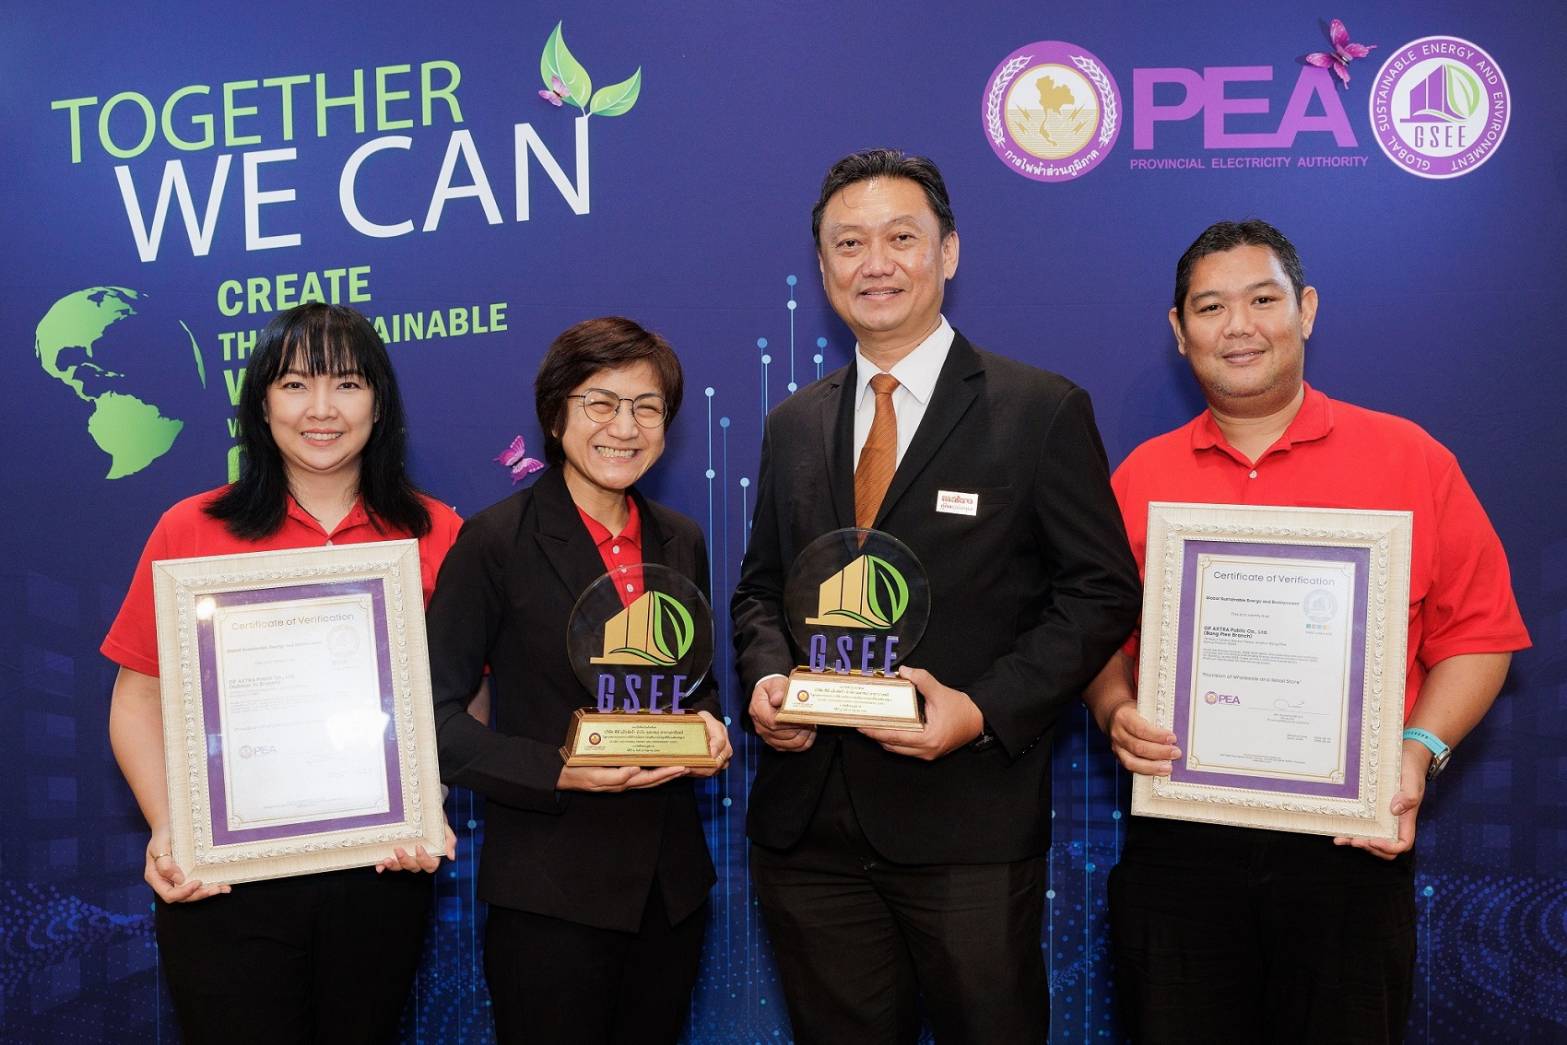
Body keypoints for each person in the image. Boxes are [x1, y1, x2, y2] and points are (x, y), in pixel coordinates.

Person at [1084, 219, 1531, 1044]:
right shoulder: (1140, 475)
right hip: (1179, 844)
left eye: (1263, 300)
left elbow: (1478, 634)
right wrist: (1114, 709)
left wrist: (1414, 751)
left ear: (1307, 310)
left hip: (1349, 845)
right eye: (1210, 307)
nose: (1238, 326)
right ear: (1179, 330)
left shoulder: (1409, 457)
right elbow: (1091, 634)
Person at [732, 148, 1142, 1042]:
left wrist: (981, 709)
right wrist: (766, 679)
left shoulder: (1038, 408)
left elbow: (1100, 592)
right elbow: (761, 589)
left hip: (966, 824)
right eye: (848, 243)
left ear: (948, 252)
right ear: (822, 267)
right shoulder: (792, 423)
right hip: (808, 834)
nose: (873, 263)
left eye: (901, 237)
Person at [101, 302, 463, 1043]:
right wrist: (170, 826)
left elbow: (464, 696)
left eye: (348, 383)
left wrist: (428, 801)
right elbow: (137, 700)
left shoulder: (436, 533)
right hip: (224, 881)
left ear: (380, 404)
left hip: (380, 872)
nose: (321, 409)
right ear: (261, 405)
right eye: (295, 384)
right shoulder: (191, 527)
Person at [426, 316, 732, 1045]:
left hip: (671, 890)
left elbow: (695, 683)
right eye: (600, 402)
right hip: (550, 891)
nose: (624, 427)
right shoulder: (496, 540)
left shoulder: (680, 538)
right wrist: (558, 770)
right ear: (555, 413)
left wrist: (709, 727)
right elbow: (433, 722)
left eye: (647, 407)